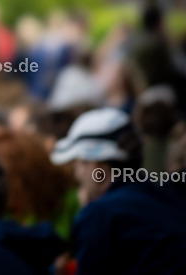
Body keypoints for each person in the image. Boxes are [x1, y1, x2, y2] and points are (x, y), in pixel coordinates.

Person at [51, 107, 186, 273]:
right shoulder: (168, 192)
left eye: (77, 165)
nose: (77, 176)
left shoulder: (100, 214)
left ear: (95, 166)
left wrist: (89, 212)